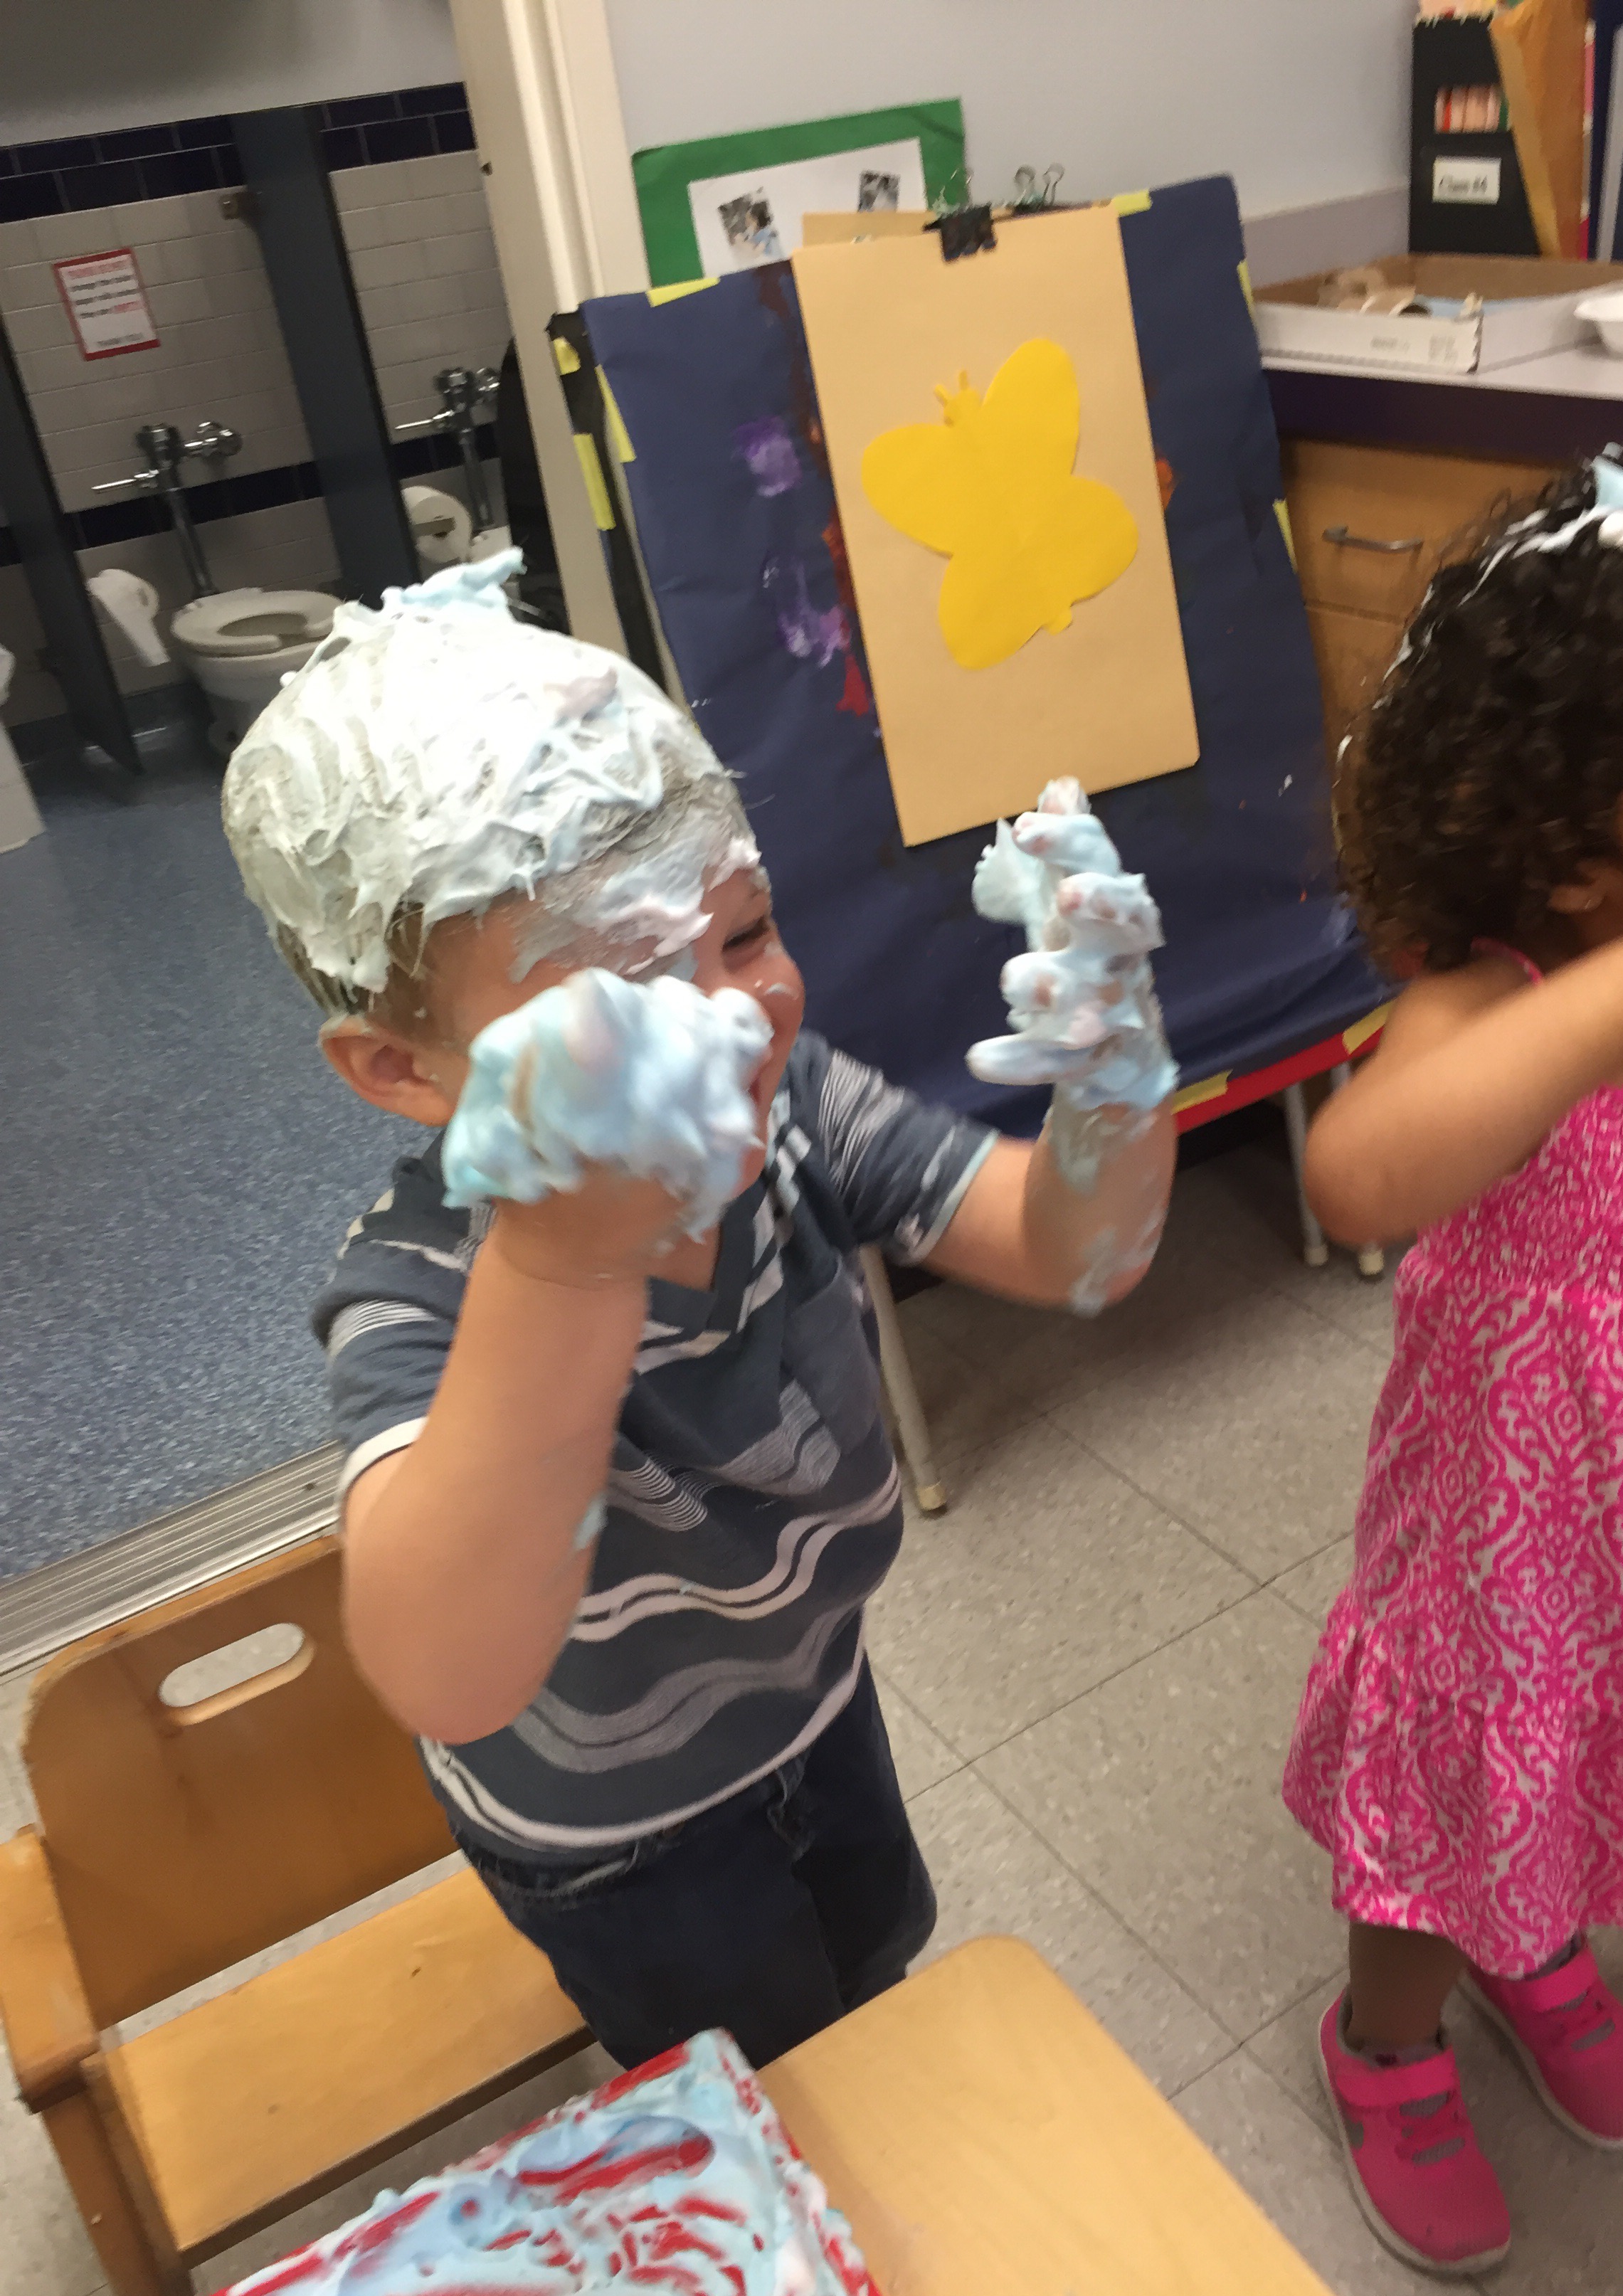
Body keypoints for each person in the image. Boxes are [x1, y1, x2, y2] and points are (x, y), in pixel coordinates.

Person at [221, 552, 1178, 2074]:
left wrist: (1115, 1077)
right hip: (613, 1836)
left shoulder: (796, 1108)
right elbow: (450, 1674)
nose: (731, 1018)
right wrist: (567, 1262)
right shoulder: (420, 1290)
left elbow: (1077, 1253)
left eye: (744, 934)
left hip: (816, 1701)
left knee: (873, 1974)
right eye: (620, 995)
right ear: (402, 1070)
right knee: (758, 2083)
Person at [1284, 455, 1623, 2279]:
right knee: (1468, 1782)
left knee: (1611, 1761)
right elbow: (1356, 1175)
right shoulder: (1504, 1002)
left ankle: (1534, 1940)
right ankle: (1389, 2040)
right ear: (1572, 851)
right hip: (1501, 1551)